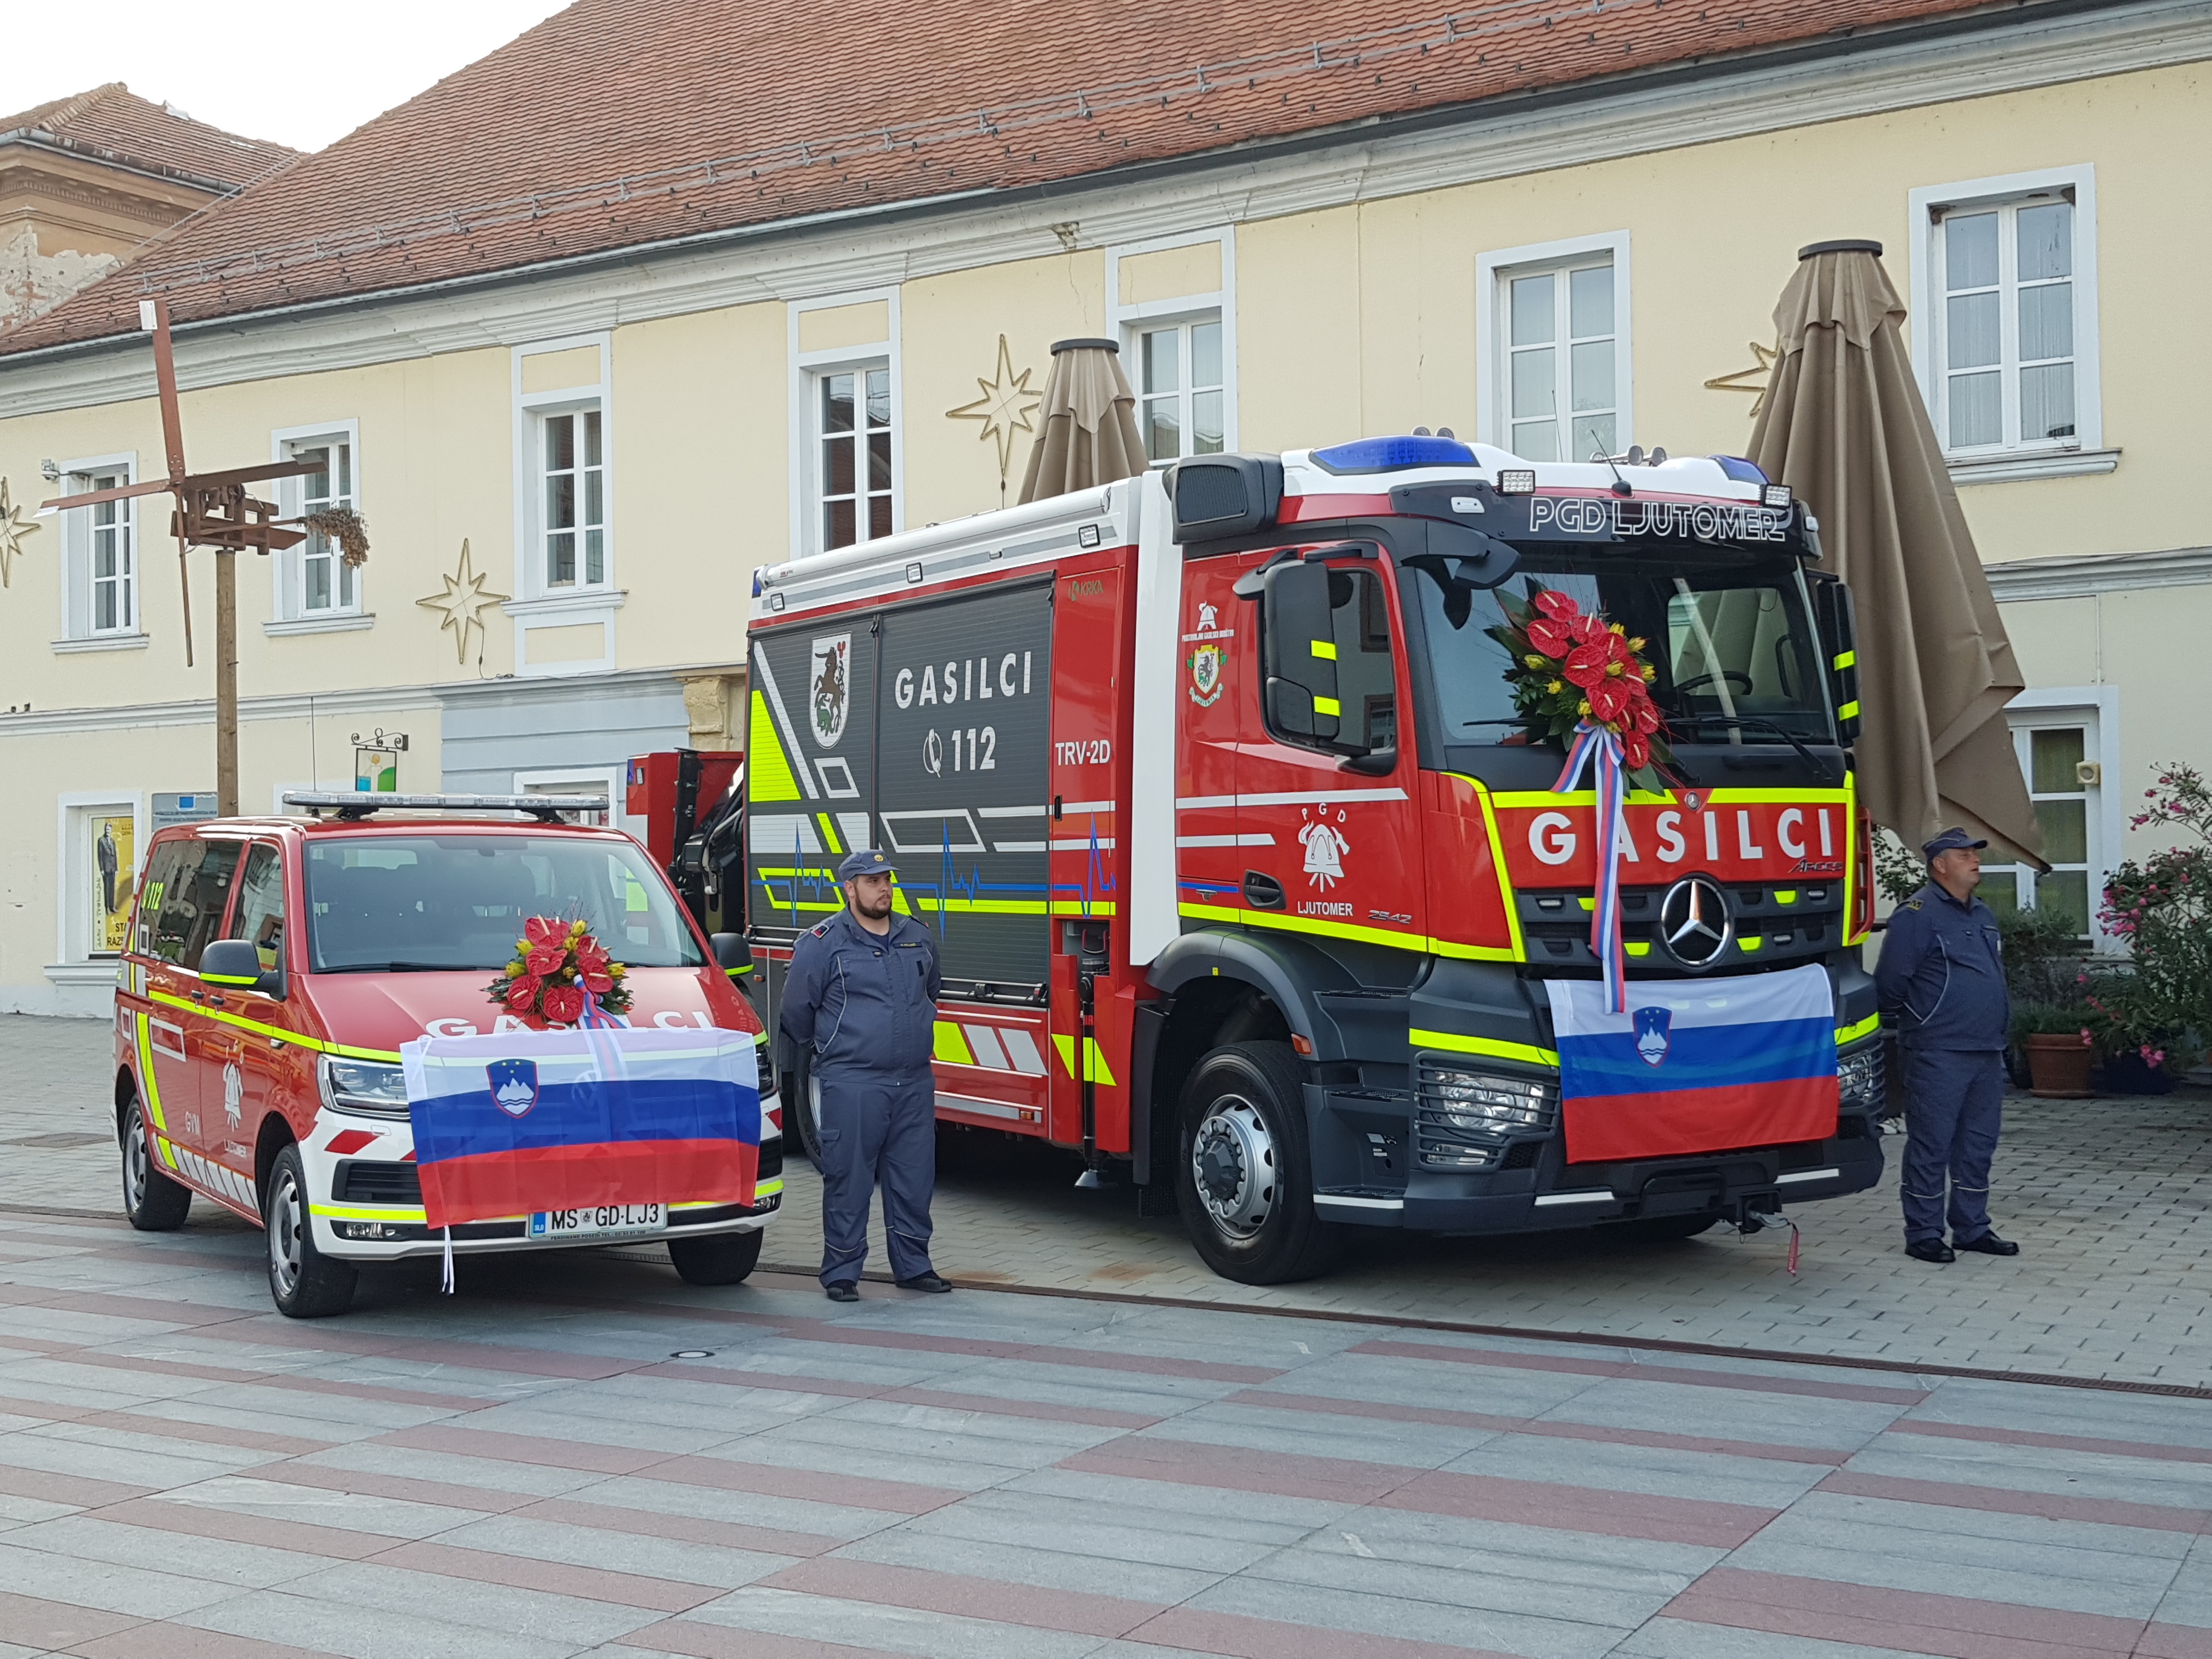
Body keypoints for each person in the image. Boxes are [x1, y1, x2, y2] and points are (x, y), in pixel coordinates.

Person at [778, 848, 950, 1302]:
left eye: (887, 880)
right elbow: (796, 1012)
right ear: (850, 889)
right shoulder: (823, 943)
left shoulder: (916, 935)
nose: (884, 889)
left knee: (914, 1179)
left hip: (913, 1082)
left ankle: (914, 1267)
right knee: (848, 1179)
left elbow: (932, 990)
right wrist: (835, 1048)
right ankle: (841, 1272)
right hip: (853, 1081)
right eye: (873, 882)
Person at [1876, 827, 2020, 1265]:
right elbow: (1891, 983)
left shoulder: (1983, 914)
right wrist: (1920, 1022)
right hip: (1938, 1049)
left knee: (1978, 1144)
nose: (1975, 860)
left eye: (1975, 854)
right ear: (1940, 865)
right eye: (1964, 855)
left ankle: (1972, 1227)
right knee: (1932, 1143)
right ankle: (1924, 1232)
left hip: (1985, 1049)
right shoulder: (1917, 915)